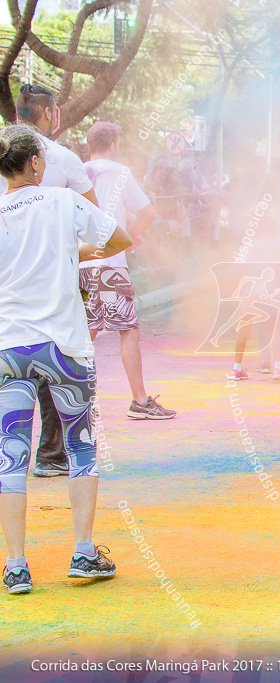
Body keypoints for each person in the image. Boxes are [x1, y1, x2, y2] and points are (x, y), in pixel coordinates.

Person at [0, 125, 133, 594]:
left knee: (10, 455)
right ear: (35, 163)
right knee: (80, 447)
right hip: (65, 347)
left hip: (9, 348)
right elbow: (118, 239)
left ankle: (16, 566)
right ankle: (83, 553)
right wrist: (73, 254)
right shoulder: (62, 201)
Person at [9, 84, 101, 478]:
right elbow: (97, 221)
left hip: (5, 284)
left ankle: (13, 457)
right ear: (49, 115)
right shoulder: (59, 157)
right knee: (56, 356)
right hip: (53, 285)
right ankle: (51, 456)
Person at [80, 121, 175, 419]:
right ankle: (140, 401)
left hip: (82, 263)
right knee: (128, 329)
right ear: (114, 144)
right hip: (110, 265)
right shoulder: (120, 173)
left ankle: (78, 404)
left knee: (86, 331)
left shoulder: (78, 172)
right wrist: (128, 239)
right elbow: (148, 213)